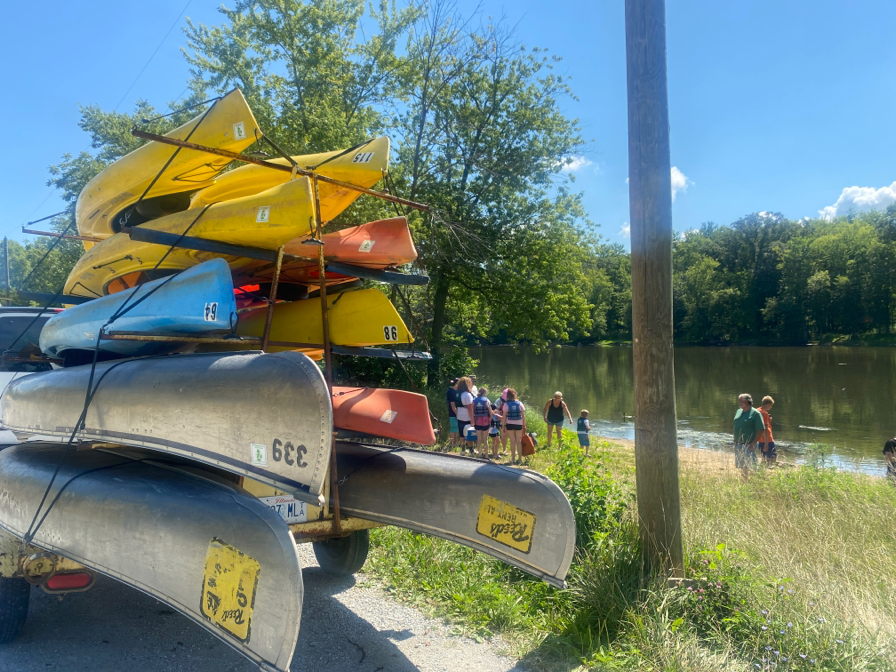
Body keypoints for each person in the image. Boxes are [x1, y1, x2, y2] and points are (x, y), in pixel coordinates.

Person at [733, 393, 765, 482]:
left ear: (747, 401)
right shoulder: (738, 411)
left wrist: (753, 443)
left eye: (740, 400)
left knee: (751, 466)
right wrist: (734, 439)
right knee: (742, 466)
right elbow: (736, 425)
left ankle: (757, 482)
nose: (739, 402)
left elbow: (761, 430)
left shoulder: (755, 414)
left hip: (749, 444)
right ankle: (744, 483)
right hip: (738, 444)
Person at [502, 388, 527, 464]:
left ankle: (512, 459)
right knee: (518, 442)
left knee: (512, 441)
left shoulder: (506, 404)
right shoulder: (520, 403)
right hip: (519, 424)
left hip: (509, 424)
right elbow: (523, 415)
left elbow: (504, 417)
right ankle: (519, 459)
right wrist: (524, 425)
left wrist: (503, 426)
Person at [454, 377, 476, 453]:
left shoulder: (457, 393)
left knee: (461, 434)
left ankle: (463, 449)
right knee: (469, 433)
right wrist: (472, 420)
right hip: (467, 417)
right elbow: (470, 408)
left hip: (460, 416)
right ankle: (471, 449)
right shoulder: (467, 395)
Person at [473, 387, 494, 458]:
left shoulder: (474, 400)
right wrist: (490, 419)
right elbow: (490, 411)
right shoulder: (486, 400)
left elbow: (472, 410)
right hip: (485, 420)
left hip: (477, 420)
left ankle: (479, 454)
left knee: (479, 438)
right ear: (484, 393)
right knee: (485, 439)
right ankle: (486, 455)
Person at [757, 395, 776, 465]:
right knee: (773, 457)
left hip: (760, 438)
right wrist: (767, 443)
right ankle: (766, 469)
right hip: (767, 438)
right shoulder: (764, 413)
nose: (771, 407)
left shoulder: (757, 411)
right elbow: (764, 427)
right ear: (768, 404)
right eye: (771, 405)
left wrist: (768, 419)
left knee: (764, 456)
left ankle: (762, 470)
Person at [446, 378, 459, 450]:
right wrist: (457, 413)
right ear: (456, 384)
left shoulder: (455, 391)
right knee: (453, 428)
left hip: (456, 412)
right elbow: (452, 404)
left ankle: (455, 443)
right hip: (452, 412)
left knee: (456, 428)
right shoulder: (451, 392)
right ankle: (451, 444)